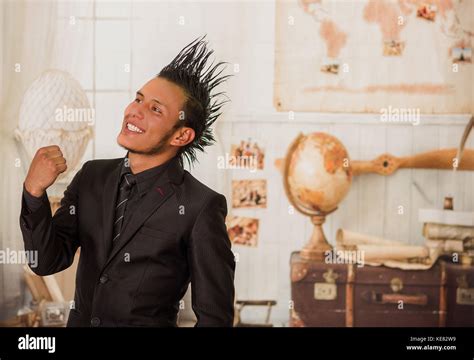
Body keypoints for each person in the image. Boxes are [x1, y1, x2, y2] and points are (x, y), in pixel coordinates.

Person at [19, 37, 235, 327]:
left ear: (181, 136)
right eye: (138, 99)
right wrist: (34, 192)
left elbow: (215, 318)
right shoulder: (91, 177)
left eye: (155, 109)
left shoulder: (200, 206)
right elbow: (45, 262)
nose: (135, 111)